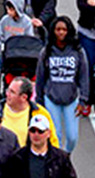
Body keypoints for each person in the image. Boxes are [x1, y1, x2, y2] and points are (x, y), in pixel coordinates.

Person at [35, 16, 89, 154]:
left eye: (64, 29)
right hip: (51, 98)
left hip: (71, 99)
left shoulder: (78, 51)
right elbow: (40, 76)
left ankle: (65, 155)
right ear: (53, 31)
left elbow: (83, 76)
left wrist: (83, 99)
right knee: (55, 135)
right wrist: (39, 99)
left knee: (72, 137)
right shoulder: (46, 52)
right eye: (58, 29)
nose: (61, 32)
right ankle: (57, 162)